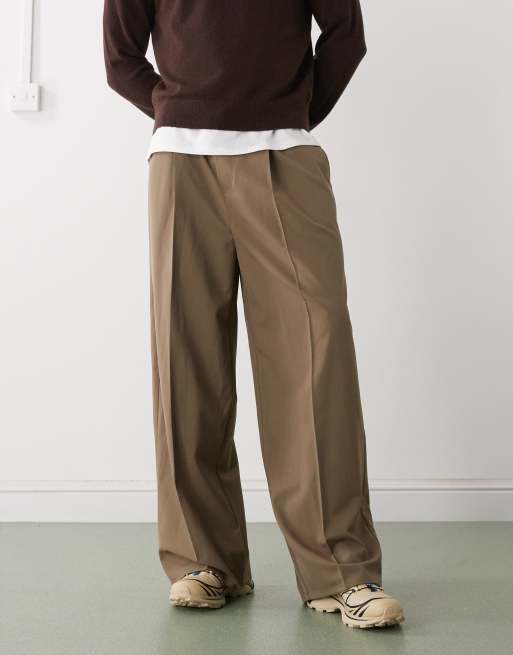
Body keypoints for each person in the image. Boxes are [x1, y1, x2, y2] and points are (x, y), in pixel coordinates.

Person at [103, 0, 404, 629]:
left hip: (284, 155)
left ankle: (341, 570)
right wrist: (176, 109)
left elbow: (346, 33)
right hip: (181, 162)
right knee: (185, 361)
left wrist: (293, 111)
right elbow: (120, 57)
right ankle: (204, 560)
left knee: (315, 358)